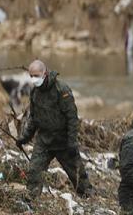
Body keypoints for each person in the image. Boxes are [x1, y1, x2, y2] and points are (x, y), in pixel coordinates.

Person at [16, 59, 90, 200]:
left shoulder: (61, 89)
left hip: (63, 141)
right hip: (44, 140)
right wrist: (24, 138)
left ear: (45, 73)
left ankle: (89, 199)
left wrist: (72, 141)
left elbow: (72, 118)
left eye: (36, 75)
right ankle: (31, 201)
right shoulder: (35, 93)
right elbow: (33, 118)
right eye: (31, 76)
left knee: (78, 175)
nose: (34, 79)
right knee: (34, 171)